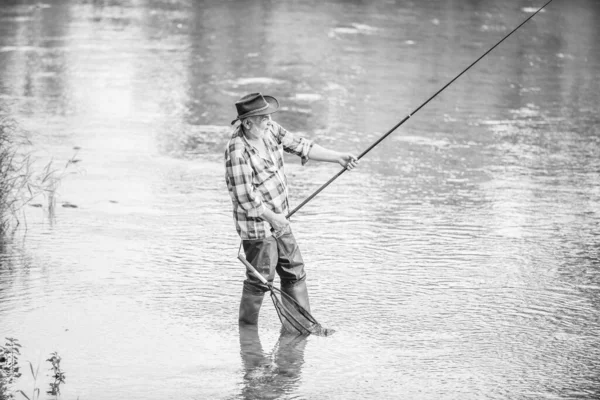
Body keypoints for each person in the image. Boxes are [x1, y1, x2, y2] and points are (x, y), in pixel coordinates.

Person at [225, 92, 358, 325]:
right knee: (260, 280)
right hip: (257, 227)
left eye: (268, 116)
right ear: (247, 123)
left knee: (294, 271)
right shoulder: (237, 151)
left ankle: (301, 326)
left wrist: (338, 157)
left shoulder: (271, 131)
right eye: (263, 118)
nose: (269, 121)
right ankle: (247, 335)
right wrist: (273, 218)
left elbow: (301, 146)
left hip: (281, 219)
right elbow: (245, 197)